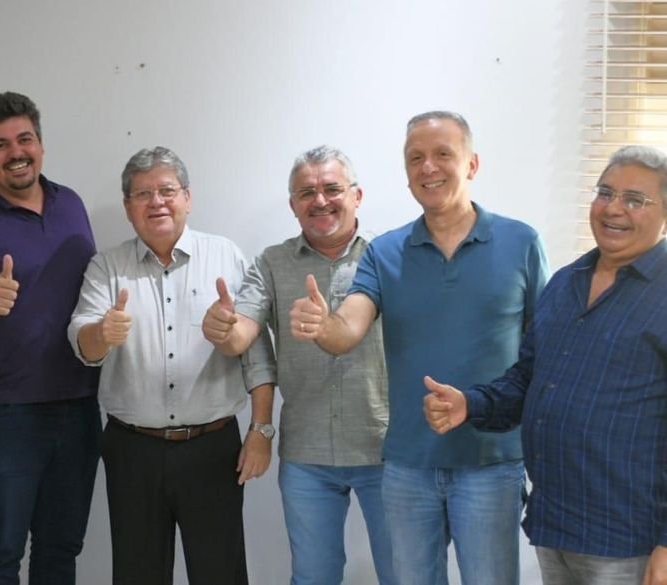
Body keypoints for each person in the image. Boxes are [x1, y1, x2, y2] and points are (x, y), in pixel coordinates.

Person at [289, 111, 549, 585]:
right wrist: (322, 326)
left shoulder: (521, 242)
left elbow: (544, 352)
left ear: (471, 164)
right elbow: (347, 329)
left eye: (442, 154)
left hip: (490, 462)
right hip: (409, 465)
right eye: (415, 158)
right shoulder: (385, 252)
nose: (428, 167)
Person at [423, 145, 667, 585]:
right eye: (605, 192)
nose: (614, 208)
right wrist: (470, 404)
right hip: (556, 525)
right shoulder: (565, 282)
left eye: (635, 199)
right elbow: (528, 378)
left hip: (629, 540)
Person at [67, 146, 274, 585]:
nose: (156, 202)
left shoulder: (226, 257)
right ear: (128, 207)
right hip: (132, 450)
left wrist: (261, 431)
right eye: (143, 194)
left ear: (187, 198)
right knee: (137, 574)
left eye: (166, 190)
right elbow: (82, 340)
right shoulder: (106, 267)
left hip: (213, 448)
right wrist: (102, 332)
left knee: (221, 574)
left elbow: (257, 354)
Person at [202, 145, 395, 585]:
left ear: (357, 196)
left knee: (404, 573)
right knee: (312, 576)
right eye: (307, 192)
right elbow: (241, 334)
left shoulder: (389, 256)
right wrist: (223, 329)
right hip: (308, 453)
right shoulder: (272, 262)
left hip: (385, 447)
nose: (320, 200)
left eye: (332, 189)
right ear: (293, 205)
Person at [0, 91, 101, 585]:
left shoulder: (71, 204)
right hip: (5, 413)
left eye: (24, 139)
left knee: (61, 549)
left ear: (40, 145)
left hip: (78, 404)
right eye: (0, 145)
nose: (16, 152)